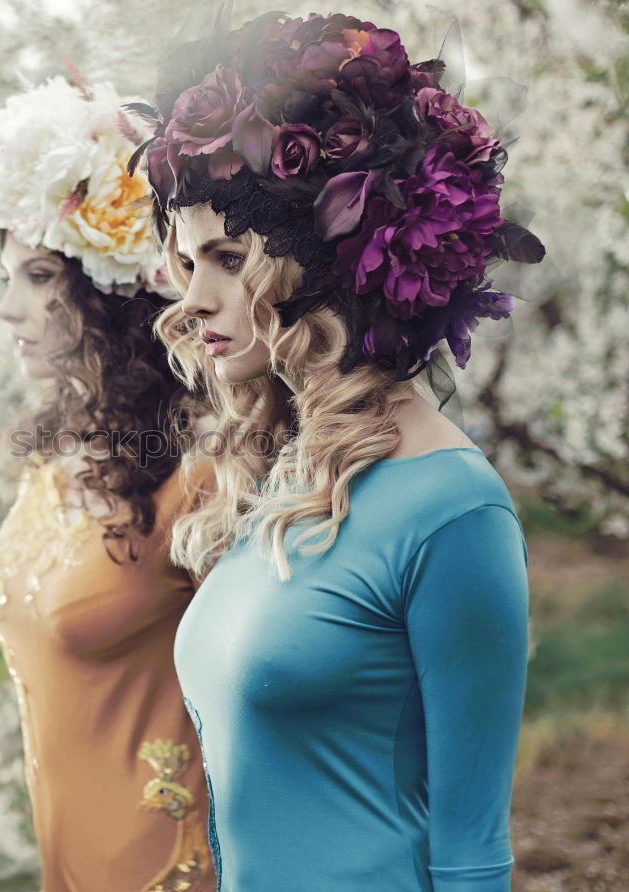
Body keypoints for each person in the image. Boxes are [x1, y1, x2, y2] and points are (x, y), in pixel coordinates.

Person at [130, 11, 545, 891]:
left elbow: (474, 854)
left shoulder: (452, 511)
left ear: (322, 259)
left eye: (227, 256)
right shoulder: (283, 472)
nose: (192, 297)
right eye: (184, 259)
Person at [0, 76, 215, 891]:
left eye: (37, 276)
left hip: (177, 869)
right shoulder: (54, 449)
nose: (8, 310)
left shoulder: (202, 466)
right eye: (4, 276)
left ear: (113, 288)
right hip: (68, 862)